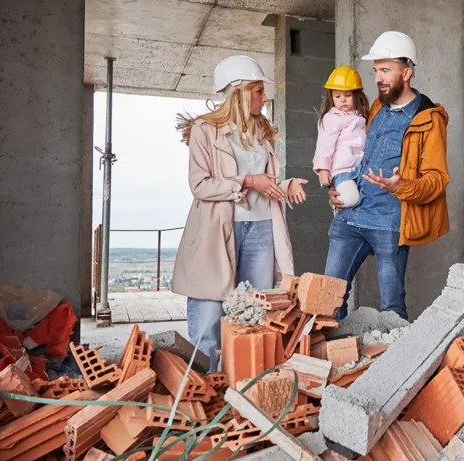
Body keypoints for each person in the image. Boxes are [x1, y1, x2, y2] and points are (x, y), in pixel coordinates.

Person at [171, 55, 308, 371]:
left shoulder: (262, 131)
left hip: (261, 231)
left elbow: (265, 182)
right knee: (208, 318)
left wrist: (284, 186)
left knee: (254, 315)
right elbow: (201, 186)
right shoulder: (206, 131)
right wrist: (247, 181)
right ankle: (205, 391)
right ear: (239, 92)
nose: (265, 97)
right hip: (219, 231)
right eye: (259, 91)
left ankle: (245, 389)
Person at [324, 31, 449, 320]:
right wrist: (339, 184)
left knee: (392, 307)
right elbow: (356, 154)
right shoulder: (376, 107)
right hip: (350, 216)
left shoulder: (429, 119)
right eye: (375, 71)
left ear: (406, 72)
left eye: (385, 70)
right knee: (328, 297)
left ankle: (394, 363)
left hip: (390, 223)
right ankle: (341, 360)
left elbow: (437, 179)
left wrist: (401, 185)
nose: (378, 78)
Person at [313, 65, 371, 209]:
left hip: (360, 167)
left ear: (357, 95)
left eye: (348, 95)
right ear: (331, 96)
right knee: (350, 199)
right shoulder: (331, 118)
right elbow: (324, 145)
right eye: (337, 96)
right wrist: (323, 169)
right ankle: (339, 208)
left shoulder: (361, 116)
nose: (343, 100)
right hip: (342, 170)